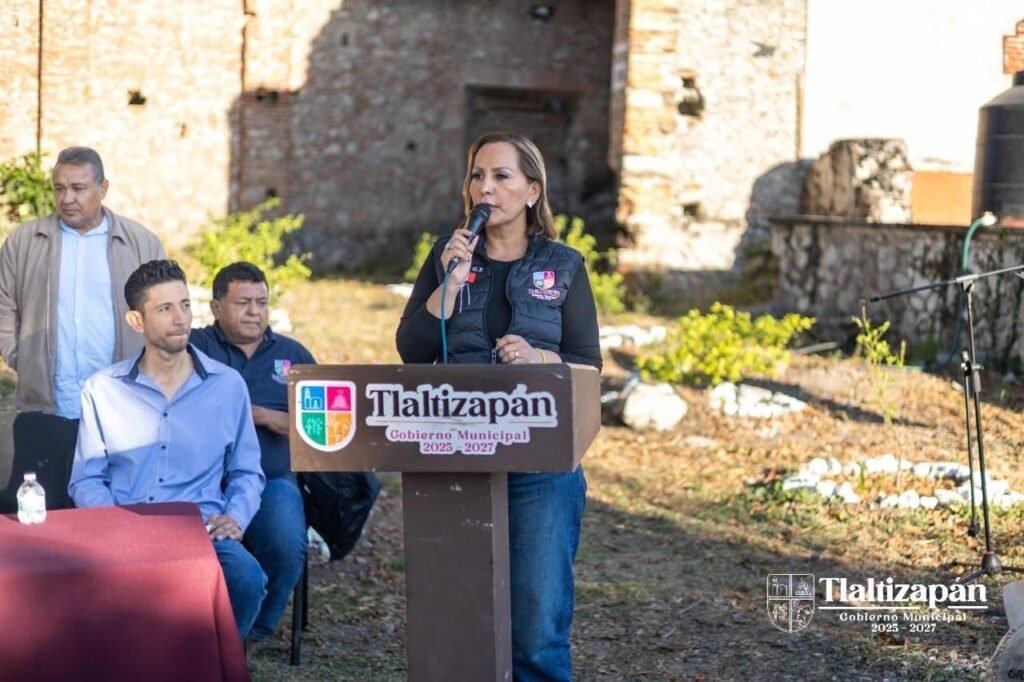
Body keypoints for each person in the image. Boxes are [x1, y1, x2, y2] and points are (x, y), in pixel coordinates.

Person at [396, 131, 602, 681]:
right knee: (458, 617)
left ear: (533, 191)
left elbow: (588, 364)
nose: (485, 188)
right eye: (477, 176)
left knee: (536, 625)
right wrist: (450, 282)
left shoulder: (565, 264)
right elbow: (413, 351)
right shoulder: (446, 257)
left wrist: (539, 358)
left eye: (501, 176)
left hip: (541, 463)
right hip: (456, 453)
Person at [69, 259, 267, 642]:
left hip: (201, 530)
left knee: (246, 580)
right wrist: (114, 525)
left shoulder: (228, 386)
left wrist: (236, 516)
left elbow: (247, 471)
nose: (181, 318)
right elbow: (87, 478)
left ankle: (216, 661)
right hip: (125, 528)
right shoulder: (102, 389)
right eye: (165, 308)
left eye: (185, 305)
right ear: (136, 321)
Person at [0, 146, 165, 512]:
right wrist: (22, 358)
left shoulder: (141, 243)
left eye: (78, 188)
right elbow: (3, 306)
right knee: (38, 515)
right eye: (59, 188)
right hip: (47, 407)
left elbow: (164, 312)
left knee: (114, 515)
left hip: (122, 408)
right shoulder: (24, 242)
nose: (67, 198)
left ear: (103, 188)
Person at [190, 261, 314, 648]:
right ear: (216, 307)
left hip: (272, 478)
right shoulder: (193, 348)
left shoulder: (294, 355)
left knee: (285, 540)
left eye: (261, 302)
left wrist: (266, 417)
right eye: (243, 303)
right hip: (199, 479)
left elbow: (328, 427)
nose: (254, 312)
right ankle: (196, 621)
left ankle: (252, 629)